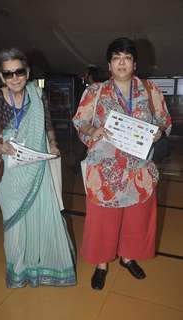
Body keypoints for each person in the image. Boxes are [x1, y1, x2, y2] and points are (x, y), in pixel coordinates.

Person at [73, 37, 171, 290]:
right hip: (105, 170)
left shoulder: (150, 90)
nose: (122, 63)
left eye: (127, 58)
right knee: (103, 220)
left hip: (139, 170)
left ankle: (128, 258)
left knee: (136, 219)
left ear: (134, 63)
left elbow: (164, 120)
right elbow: (80, 121)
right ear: (109, 64)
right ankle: (101, 264)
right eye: (117, 58)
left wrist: (159, 131)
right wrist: (91, 131)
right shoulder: (95, 92)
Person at [0, 48, 76, 288]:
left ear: (27, 72)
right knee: (14, 223)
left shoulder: (37, 95)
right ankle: (19, 272)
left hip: (37, 166)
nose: (14, 78)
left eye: (19, 72)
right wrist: (1, 148)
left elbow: (47, 126)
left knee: (42, 215)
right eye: (8, 73)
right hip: (11, 172)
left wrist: (53, 144)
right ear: (2, 77)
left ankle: (43, 267)